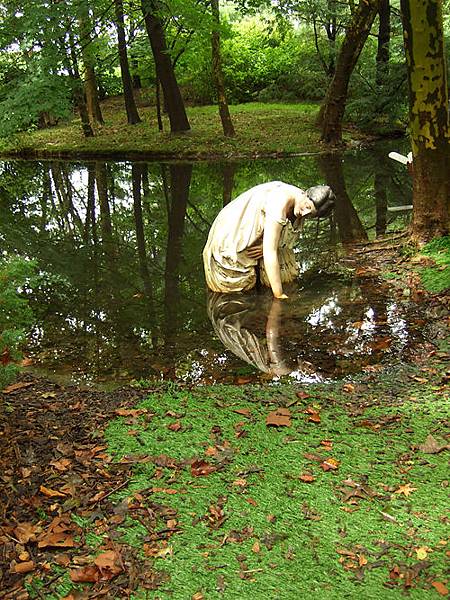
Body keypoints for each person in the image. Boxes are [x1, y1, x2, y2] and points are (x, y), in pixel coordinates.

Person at [203, 181, 335, 298]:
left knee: (285, 273)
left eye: (311, 214)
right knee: (239, 292)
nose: (305, 213)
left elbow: (279, 241)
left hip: (253, 237)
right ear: (305, 194)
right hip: (231, 237)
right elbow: (270, 252)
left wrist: (269, 244)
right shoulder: (280, 202)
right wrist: (279, 294)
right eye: (307, 207)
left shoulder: (299, 200)